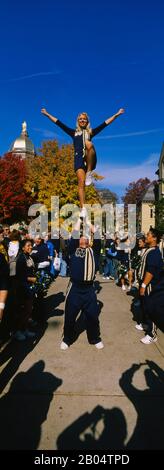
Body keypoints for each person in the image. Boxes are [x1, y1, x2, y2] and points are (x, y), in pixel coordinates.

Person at [41, 107, 125, 217]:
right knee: (81, 183)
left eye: (84, 119)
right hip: (79, 160)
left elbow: (105, 123)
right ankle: (83, 208)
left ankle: (89, 172)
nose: (82, 120)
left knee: (89, 144)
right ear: (78, 121)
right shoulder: (73, 133)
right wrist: (47, 114)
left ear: (87, 121)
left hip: (90, 158)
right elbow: (58, 123)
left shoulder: (90, 132)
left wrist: (117, 114)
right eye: (80, 119)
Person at [60, 219, 103, 350]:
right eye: (81, 238)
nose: (83, 239)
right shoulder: (74, 250)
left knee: (93, 317)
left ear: (89, 241)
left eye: (86, 238)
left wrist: (88, 220)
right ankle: (67, 339)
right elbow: (74, 233)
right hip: (75, 288)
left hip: (89, 289)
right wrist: (79, 219)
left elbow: (97, 233)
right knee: (70, 316)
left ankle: (95, 338)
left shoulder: (94, 251)